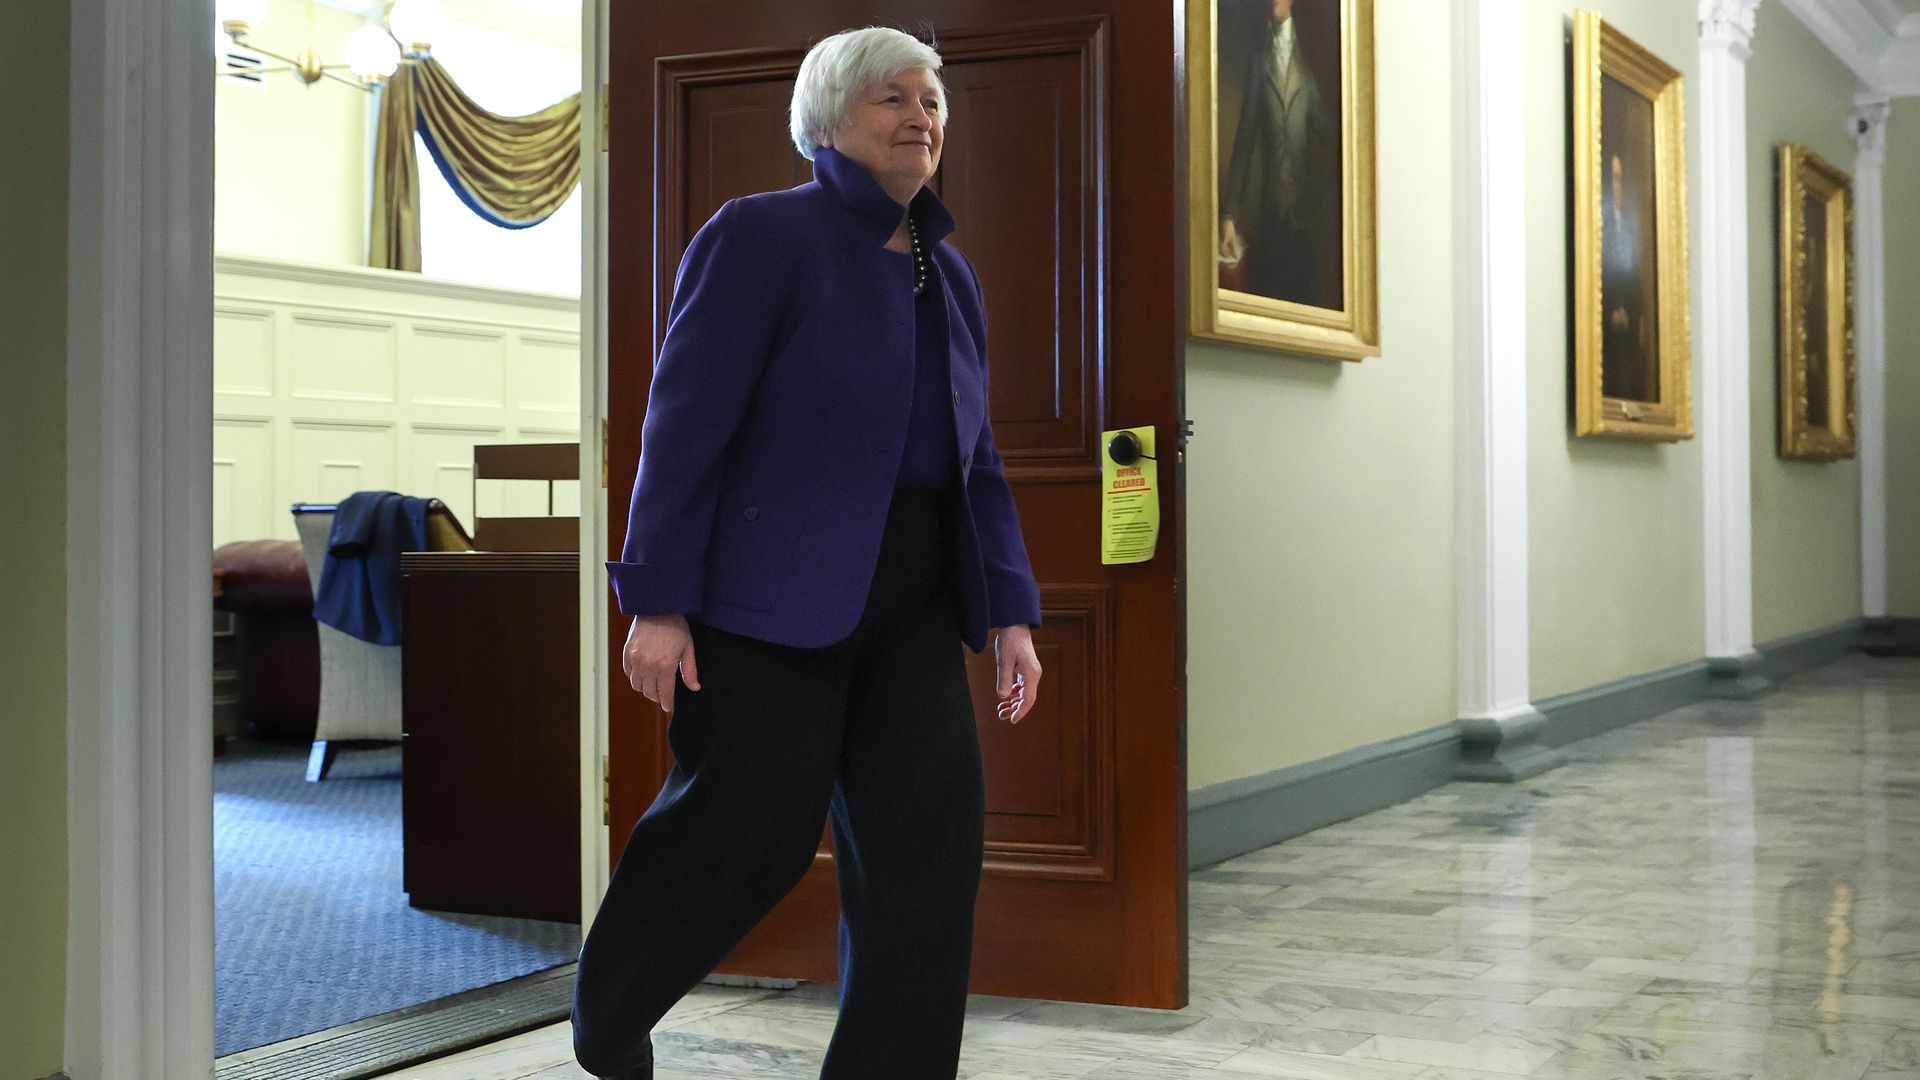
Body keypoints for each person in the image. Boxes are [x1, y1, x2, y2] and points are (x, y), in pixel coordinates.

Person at [569, 26, 1044, 1080]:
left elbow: (978, 460)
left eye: (933, 102)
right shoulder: (758, 236)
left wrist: (1009, 612)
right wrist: (655, 599)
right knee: (748, 834)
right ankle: (612, 1006)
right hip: (764, 601)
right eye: (893, 99)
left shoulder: (949, 274)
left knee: (924, 862)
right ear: (827, 117)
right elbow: (682, 426)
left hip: (915, 605)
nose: (923, 117)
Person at [1218, 0, 1336, 307]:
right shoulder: (1258, 62)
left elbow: (1333, 142)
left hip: (1304, 225)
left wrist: (1315, 194)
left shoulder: (1310, 61)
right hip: (1269, 219)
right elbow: (1244, 144)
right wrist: (1229, 215)